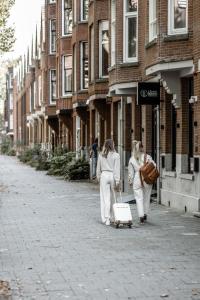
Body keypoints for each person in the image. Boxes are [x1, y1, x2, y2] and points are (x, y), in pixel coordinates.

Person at [128, 140, 156, 224]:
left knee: (138, 198)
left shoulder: (132, 158)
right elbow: (154, 166)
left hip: (137, 178)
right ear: (142, 148)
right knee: (146, 197)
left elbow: (130, 173)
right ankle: (145, 214)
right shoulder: (147, 157)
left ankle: (141, 216)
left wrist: (130, 181)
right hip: (147, 178)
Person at [96, 139, 120, 226]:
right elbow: (117, 169)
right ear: (112, 145)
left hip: (104, 175)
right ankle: (113, 217)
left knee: (105, 198)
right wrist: (117, 180)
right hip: (112, 175)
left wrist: (98, 177)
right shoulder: (116, 155)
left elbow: (98, 168)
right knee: (113, 198)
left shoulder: (101, 155)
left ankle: (106, 218)